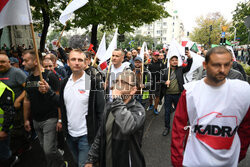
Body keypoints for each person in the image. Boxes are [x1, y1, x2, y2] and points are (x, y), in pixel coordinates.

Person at [171, 46, 250, 167]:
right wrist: (177, 160)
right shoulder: (190, 92)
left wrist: (240, 154)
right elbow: (179, 128)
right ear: (205, 65)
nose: (222, 70)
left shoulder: (243, 91)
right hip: (194, 161)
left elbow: (245, 129)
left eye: (226, 65)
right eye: (216, 65)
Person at [85, 70, 146, 167]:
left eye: (123, 82)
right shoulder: (109, 106)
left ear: (133, 90)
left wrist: (117, 99)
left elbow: (127, 127)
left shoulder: (138, 110)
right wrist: (91, 158)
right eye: (116, 81)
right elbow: (101, 134)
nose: (117, 85)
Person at [59, 49, 105, 167]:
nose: (77, 63)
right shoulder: (64, 83)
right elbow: (62, 105)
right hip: (69, 135)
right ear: (68, 62)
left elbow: (101, 112)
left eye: (80, 60)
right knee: (76, 161)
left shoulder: (92, 82)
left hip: (86, 136)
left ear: (86, 63)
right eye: (73, 59)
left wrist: (99, 139)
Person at [22, 50, 66, 167]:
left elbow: (59, 99)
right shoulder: (28, 79)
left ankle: (61, 164)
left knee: (48, 150)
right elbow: (27, 100)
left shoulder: (50, 76)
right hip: (36, 120)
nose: (23, 63)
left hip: (50, 119)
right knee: (46, 149)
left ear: (36, 61)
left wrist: (60, 120)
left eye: (26, 60)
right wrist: (26, 119)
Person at [0, 51, 30, 156]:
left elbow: (28, 87)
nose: (0, 64)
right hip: (3, 110)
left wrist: (18, 100)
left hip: (16, 108)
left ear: (9, 62)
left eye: (3, 62)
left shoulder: (16, 72)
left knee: (17, 131)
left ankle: (23, 149)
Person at [161, 51, 193, 136]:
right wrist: (165, 82)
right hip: (168, 95)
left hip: (178, 94)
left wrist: (189, 58)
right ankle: (167, 127)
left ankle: (180, 128)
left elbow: (189, 67)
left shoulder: (180, 69)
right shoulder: (165, 71)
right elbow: (159, 81)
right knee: (167, 112)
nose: (175, 61)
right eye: (173, 60)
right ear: (169, 62)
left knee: (180, 113)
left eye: (176, 60)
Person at [0, 81, 19, 167]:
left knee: (3, 155)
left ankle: (10, 161)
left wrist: (5, 130)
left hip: (1, 131)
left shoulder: (3, 89)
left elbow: (9, 112)